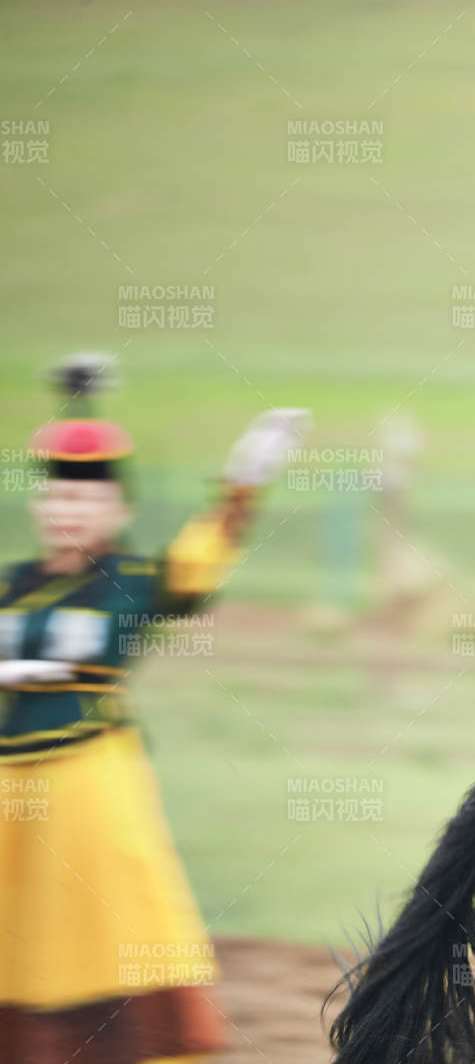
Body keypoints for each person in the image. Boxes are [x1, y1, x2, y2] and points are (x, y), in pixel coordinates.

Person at [0, 353, 308, 1061]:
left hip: (90, 786)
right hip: (11, 792)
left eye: (84, 499)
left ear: (117, 510)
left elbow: (197, 567)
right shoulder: (13, 586)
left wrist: (245, 480)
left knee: (115, 922)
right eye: (57, 498)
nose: (66, 509)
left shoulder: (130, 583)